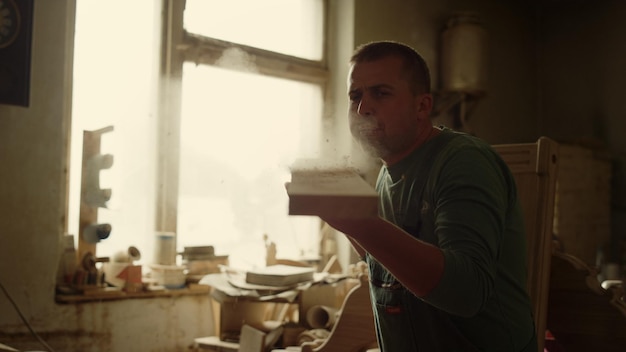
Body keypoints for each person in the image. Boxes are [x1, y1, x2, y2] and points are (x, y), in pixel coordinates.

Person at [321, 41, 538, 351]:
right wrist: (338, 211)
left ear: (422, 106)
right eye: (355, 95)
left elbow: (467, 292)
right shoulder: (387, 174)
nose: (362, 108)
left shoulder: (464, 162)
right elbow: (389, 266)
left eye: (380, 93)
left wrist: (360, 223)